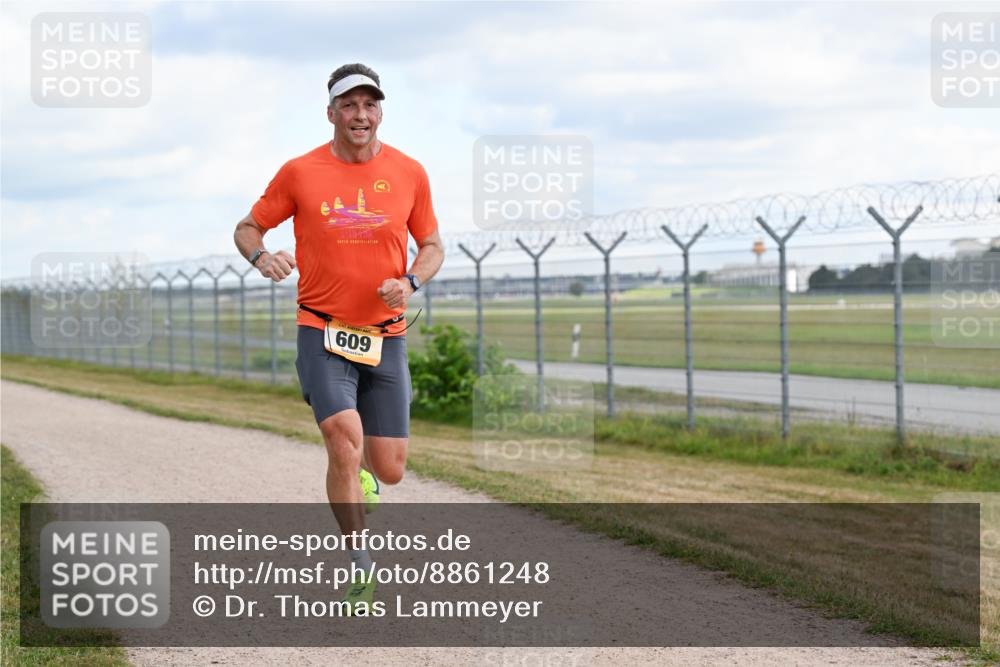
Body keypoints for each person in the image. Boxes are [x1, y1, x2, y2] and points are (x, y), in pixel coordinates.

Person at [233, 63, 444, 612]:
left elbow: (433, 244)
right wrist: (262, 256)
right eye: (348, 105)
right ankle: (360, 567)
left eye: (370, 104)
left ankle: (368, 481)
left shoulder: (410, 172)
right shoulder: (301, 172)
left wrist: (412, 279)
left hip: (386, 334)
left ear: (380, 111)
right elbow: (247, 227)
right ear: (331, 113)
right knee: (342, 438)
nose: (360, 114)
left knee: (390, 468)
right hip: (321, 328)